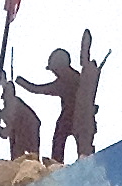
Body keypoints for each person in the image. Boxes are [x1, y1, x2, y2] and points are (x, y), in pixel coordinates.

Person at [15, 31, 109, 161]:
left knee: (59, 137)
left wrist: (22, 82)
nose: (54, 73)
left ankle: (58, 161)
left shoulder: (65, 81)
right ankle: (72, 158)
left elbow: (39, 89)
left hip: (72, 117)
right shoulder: (76, 77)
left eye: (54, 69)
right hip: (78, 117)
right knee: (65, 138)